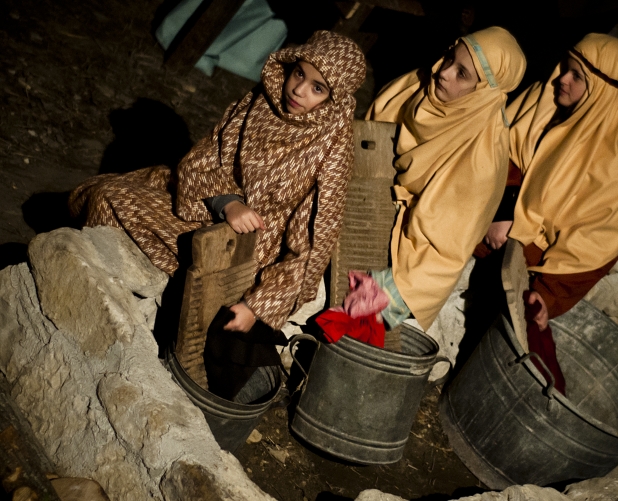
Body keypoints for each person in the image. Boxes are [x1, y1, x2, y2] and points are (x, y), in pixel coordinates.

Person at [69, 31, 366, 397]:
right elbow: (204, 158)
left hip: (248, 251)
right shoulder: (259, 102)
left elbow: (312, 246)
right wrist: (228, 202)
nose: (299, 90)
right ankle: (91, 298)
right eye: (299, 74)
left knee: (203, 293)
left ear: (333, 100)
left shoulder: (331, 147)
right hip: (210, 208)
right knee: (106, 197)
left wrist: (257, 306)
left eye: (318, 88)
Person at [482, 33, 618, 393]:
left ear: (601, 92)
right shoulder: (545, 100)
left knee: (526, 315)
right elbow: (501, 148)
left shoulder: (616, 161)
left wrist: (549, 293)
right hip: (499, 212)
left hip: (539, 248)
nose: (562, 79)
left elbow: (594, 244)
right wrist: (505, 208)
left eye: (576, 77)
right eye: (565, 69)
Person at [364, 26, 526, 333]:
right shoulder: (414, 87)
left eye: (462, 74)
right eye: (450, 58)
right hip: (372, 194)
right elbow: (366, 137)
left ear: (483, 92)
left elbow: (443, 250)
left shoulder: (481, 158)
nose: (443, 72)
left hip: (412, 239)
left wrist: (367, 309)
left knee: (354, 319)